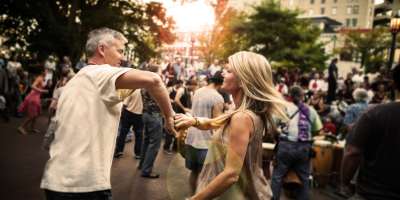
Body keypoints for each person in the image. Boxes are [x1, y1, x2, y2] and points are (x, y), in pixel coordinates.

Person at [40, 27, 176, 199]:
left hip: (55, 180)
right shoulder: (101, 74)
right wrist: (169, 116)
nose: (123, 57)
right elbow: (154, 80)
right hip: (83, 185)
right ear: (102, 49)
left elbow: (54, 127)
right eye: (119, 51)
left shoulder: (75, 81)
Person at [175, 51, 288, 200]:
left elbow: (230, 175)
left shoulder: (242, 117)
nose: (222, 73)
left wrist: (195, 199)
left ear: (243, 80)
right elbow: (218, 121)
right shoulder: (241, 112)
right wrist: (194, 121)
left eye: (229, 71)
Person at [341, 64, 400, 200]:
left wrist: (345, 183)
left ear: (394, 84)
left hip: (372, 193)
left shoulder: (375, 113)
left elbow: (352, 153)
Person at [271, 86, 322, 200]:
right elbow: (318, 130)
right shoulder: (311, 110)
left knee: (277, 177)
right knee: (304, 177)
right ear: (303, 96)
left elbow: (272, 127)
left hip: (285, 146)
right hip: (304, 147)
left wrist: (277, 137)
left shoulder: (283, 108)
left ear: (289, 96)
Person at [185, 71, 224, 193]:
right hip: (206, 143)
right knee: (205, 177)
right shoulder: (217, 97)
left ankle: (192, 196)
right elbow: (216, 124)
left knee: (194, 172)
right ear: (221, 83)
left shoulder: (198, 91)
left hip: (191, 139)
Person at [138, 64, 165, 178]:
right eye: (160, 71)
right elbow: (161, 100)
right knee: (154, 144)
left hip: (145, 113)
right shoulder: (154, 84)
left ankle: (142, 165)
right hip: (154, 116)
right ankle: (147, 170)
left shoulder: (144, 84)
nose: (161, 73)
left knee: (147, 141)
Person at [114, 89, 143, 159]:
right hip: (139, 115)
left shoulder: (133, 90)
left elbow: (125, 104)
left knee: (123, 133)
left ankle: (119, 151)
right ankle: (138, 153)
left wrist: (122, 113)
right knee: (139, 135)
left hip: (128, 113)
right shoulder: (145, 92)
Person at [18, 69, 48, 134]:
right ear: (42, 72)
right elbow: (33, 86)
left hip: (37, 97)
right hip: (33, 97)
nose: (47, 72)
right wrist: (42, 91)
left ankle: (32, 127)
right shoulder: (39, 78)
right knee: (32, 115)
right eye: (46, 71)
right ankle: (21, 127)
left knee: (36, 114)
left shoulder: (43, 78)